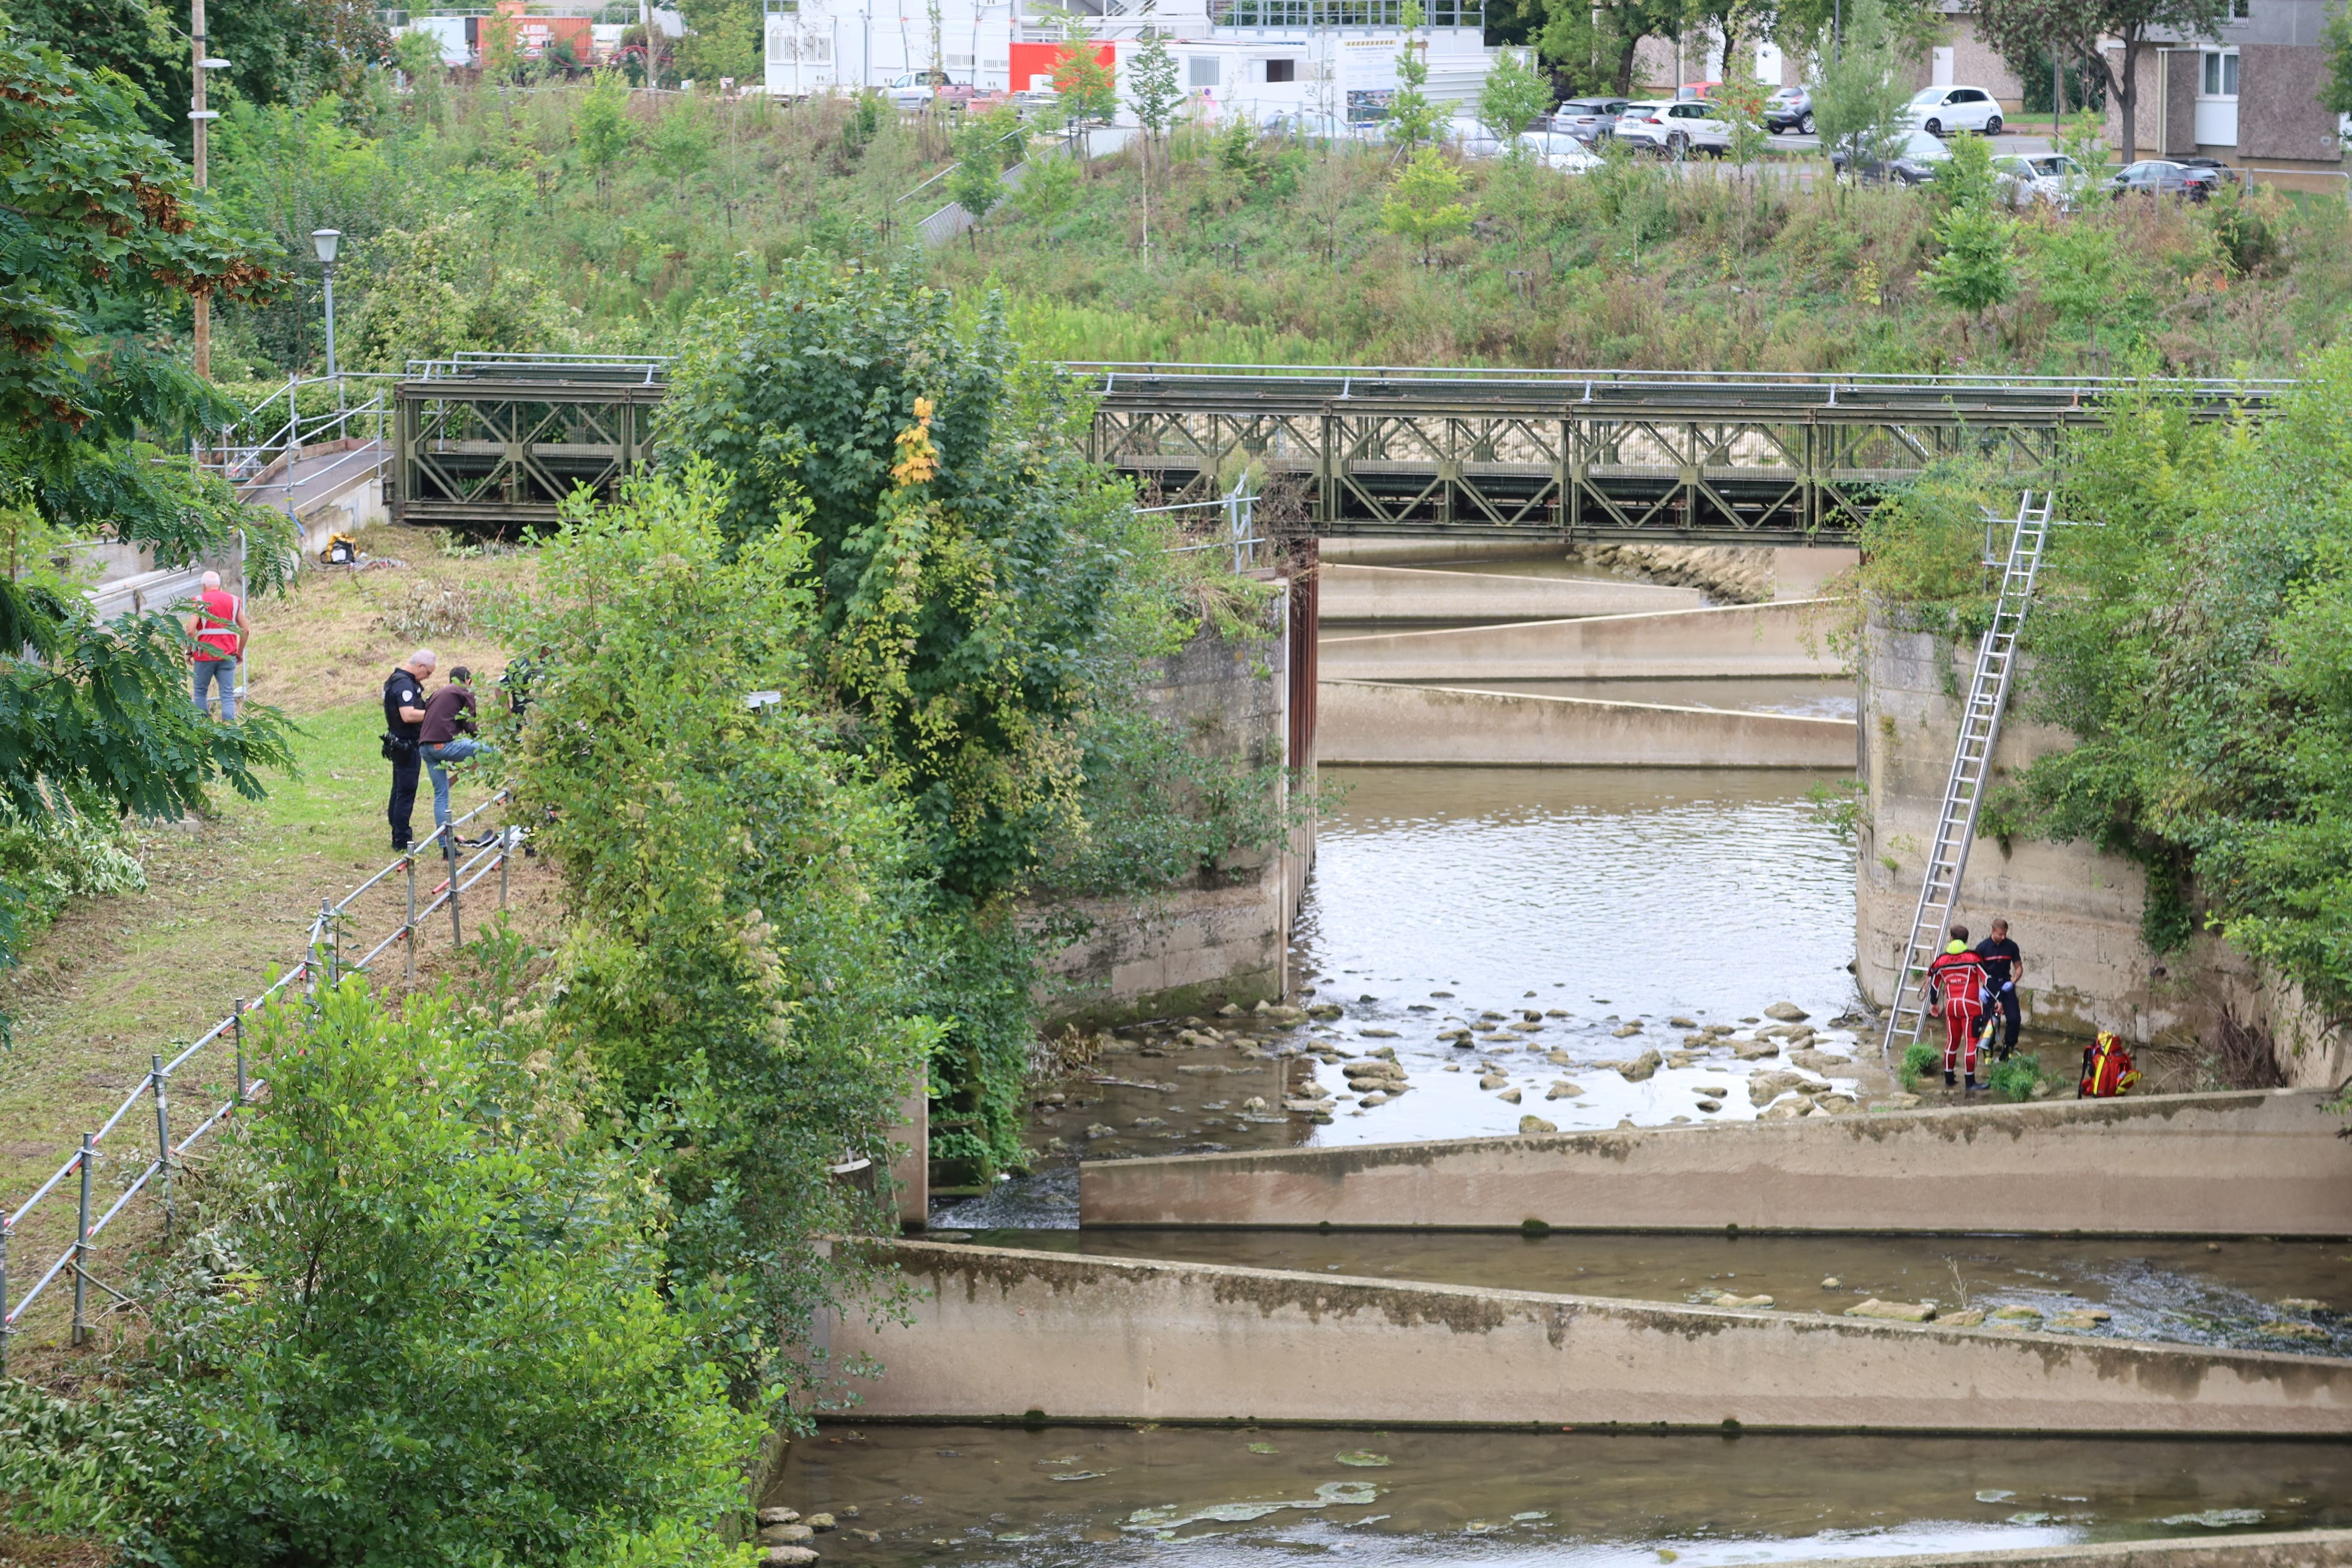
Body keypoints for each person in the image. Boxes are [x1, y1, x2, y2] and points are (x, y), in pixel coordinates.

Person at [418, 665, 487, 841]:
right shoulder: (464, 691)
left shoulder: (437, 694)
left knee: (441, 795)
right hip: (443, 744)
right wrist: (480, 739)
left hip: (425, 747)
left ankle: (445, 846)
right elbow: (470, 724)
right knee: (491, 751)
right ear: (469, 681)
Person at [1925, 924, 1992, 1092]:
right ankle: (1970, 1083)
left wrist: (1934, 1004)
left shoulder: (1941, 961)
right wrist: (1996, 1000)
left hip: (1951, 1006)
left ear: (1951, 938)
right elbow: (1987, 980)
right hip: (1970, 1007)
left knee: (1952, 1042)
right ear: (1966, 940)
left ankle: (1949, 1079)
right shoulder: (1973, 958)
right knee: (1971, 1043)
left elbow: (1934, 986)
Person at [382, 648, 436, 853]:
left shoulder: (395, 680)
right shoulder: (404, 683)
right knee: (406, 791)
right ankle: (402, 838)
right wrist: (432, 712)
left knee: (399, 790)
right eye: (428, 672)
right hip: (406, 744)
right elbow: (408, 714)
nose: (428, 677)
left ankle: (397, 829)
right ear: (421, 666)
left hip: (399, 742)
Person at [187, 569, 250, 722]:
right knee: (227, 694)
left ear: (203, 586)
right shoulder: (234, 601)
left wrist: (189, 652)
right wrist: (239, 652)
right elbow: (246, 630)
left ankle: (204, 731)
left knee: (201, 693)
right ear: (220, 585)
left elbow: (190, 631)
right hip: (227, 654)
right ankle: (229, 732)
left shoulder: (200, 600)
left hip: (204, 655)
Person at [1974, 918, 2025, 1060]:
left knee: (2015, 1019)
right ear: (1993, 931)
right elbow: (1977, 972)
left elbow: (2019, 967)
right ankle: (1988, 1053)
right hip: (1990, 987)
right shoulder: (1982, 948)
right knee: (1990, 1021)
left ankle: (2008, 1048)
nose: (2003, 937)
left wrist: (2013, 981)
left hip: (2006, 985)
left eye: (2005, 934)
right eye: (2000, 934)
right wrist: (1980, 989)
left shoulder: (2011, 947)